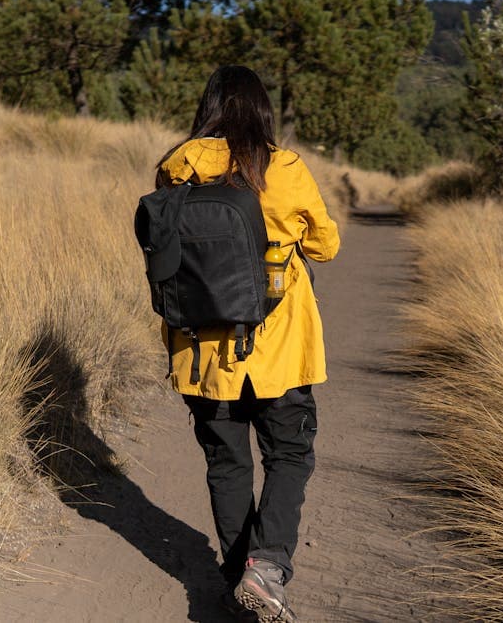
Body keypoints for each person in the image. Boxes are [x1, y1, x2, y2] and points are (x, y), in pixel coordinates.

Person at [154, 65, 340, 622]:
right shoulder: (282, 167)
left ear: (208, 107)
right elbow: (326, 245)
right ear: (262, 112)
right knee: (289, 453)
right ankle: (267, 569)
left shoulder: (175, 167)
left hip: (201, 350)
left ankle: (241, 580)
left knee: (226, 463)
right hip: (279, 348)